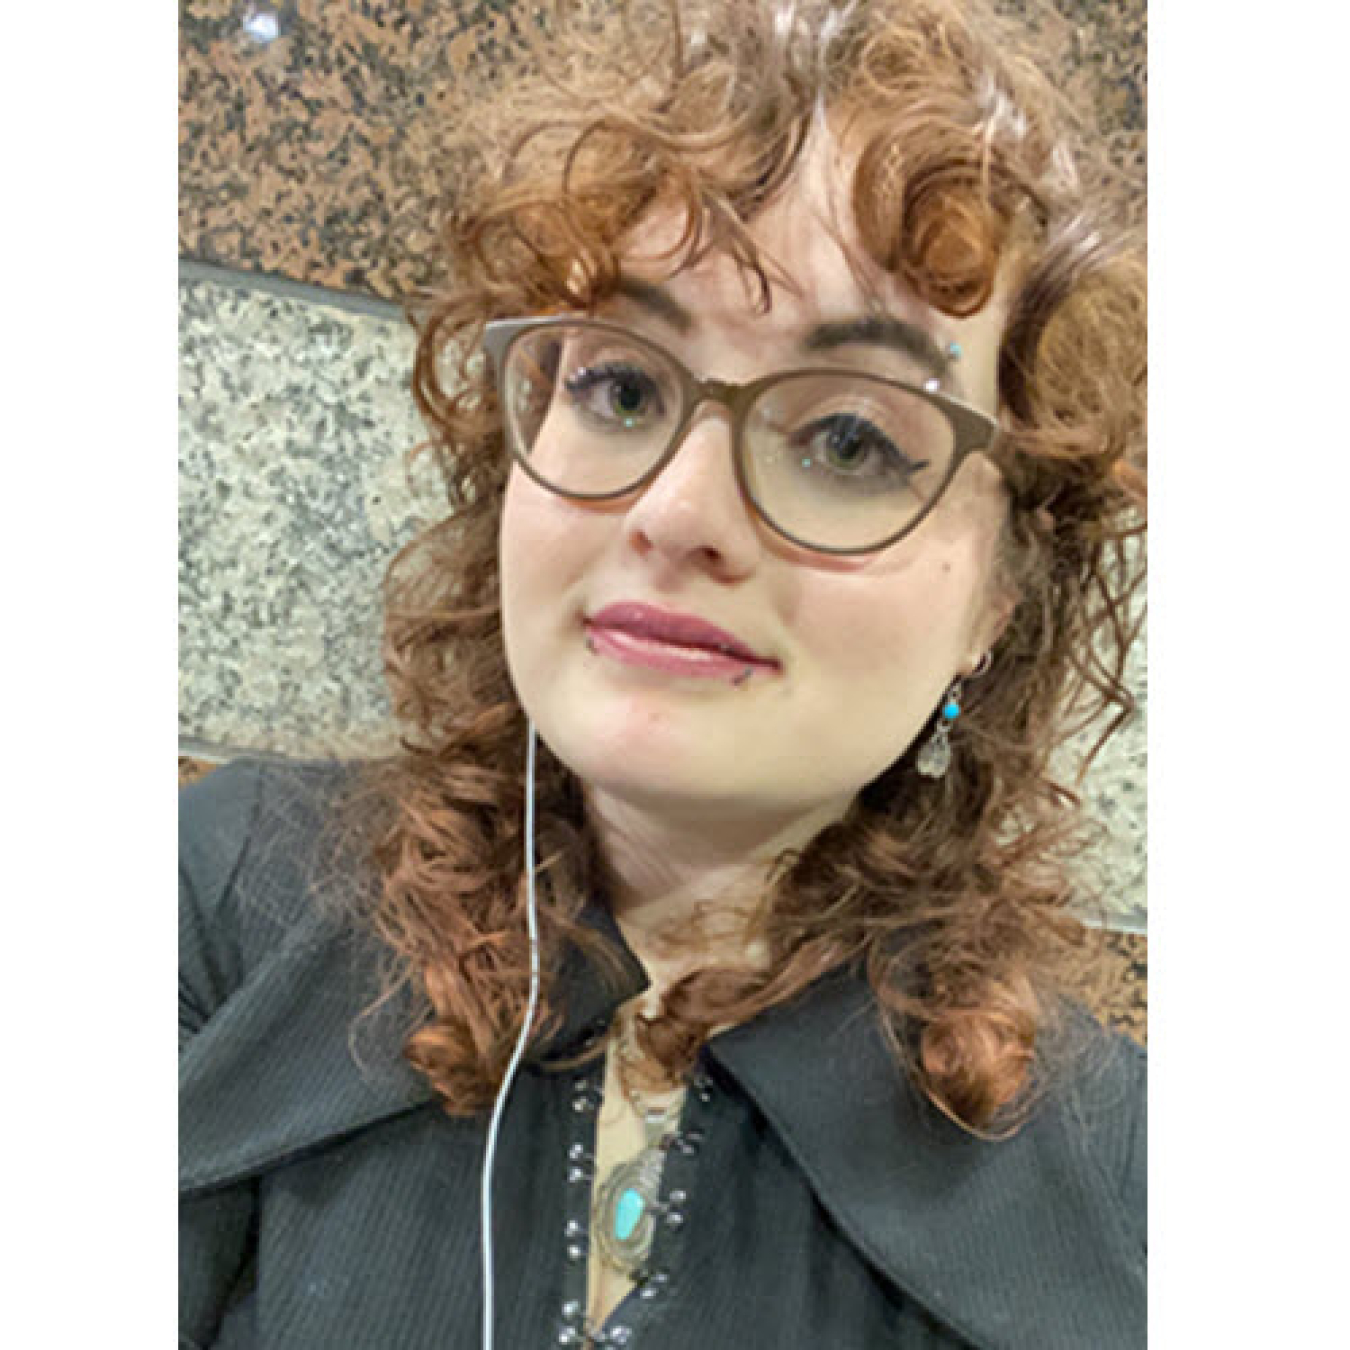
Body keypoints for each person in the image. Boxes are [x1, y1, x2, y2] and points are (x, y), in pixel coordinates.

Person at [180, 1, 1146, 1346]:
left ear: (998, 592)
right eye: (622, 389)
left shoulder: (1131, 1184)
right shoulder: (213, 907)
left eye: (853, 438)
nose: (679, 510)